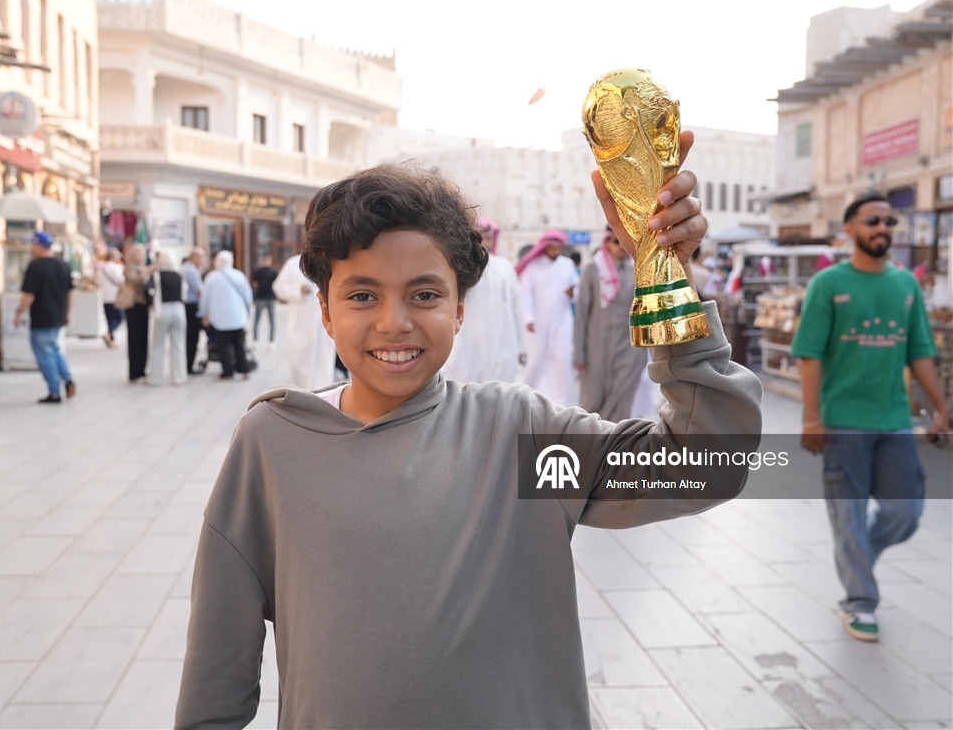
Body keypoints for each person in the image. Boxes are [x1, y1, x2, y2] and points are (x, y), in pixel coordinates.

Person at [175, 155, 763, 728]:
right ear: (325, 311)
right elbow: (215, 678)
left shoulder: (519, 440)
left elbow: (707, 463)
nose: (394, 322)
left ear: (460, 310)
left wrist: (666, 275)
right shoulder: (275, 446)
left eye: (424, 294)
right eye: (361, 295)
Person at [792, 193, 948, 643]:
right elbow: (808, 355)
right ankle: (860, 601)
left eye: (889, 221)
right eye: (872, 220)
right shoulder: (827, 283)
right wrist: (811, 418)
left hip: (894, 420)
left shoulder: (905, 286)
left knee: (906, 512)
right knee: (848, 517)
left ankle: (858, 553)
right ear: (850, 230)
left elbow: (920, 351)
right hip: (842, 422)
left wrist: (940, 407)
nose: (883, 227)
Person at [573, 228, 649, 422]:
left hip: (630, 349)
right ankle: (589, 445)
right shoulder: (593, 269)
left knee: (622, 398)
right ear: (606, 242)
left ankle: (613, 445)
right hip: (597, 347)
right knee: (593, 401)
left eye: (624, 241)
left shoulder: (638, 270)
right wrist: (578, 352)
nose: (621, 246)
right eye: (616, 241)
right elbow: (581, 313)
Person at [443, 217, 526, 383]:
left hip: (502, 343)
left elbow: (518, 308)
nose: (484, 243)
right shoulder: (460, 268)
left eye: (488, 238)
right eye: (480, 238)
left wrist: (522, 346)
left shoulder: (505, 268)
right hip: (468, 343)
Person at [516, 229, 578, 406]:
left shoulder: (567, 264)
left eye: (559, 248)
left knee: (562, 360)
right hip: (538, 322)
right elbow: (524, 295)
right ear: (545, 247)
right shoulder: (533, 266)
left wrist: (572, 293)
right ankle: (528, 399)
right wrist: (528, 318)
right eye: (553, 248)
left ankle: (562, 403)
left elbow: (576, 290)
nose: (556, 252)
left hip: (562, 320)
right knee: (537, 360)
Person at [15, 231, 75, 404]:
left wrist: (19, 313)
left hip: (42, 317)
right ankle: (67, 378)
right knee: (55, 349)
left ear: (38, 245)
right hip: (58, 316)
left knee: (45, 354)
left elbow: (29, 295)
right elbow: (70, 293)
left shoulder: (35, 267)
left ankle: (54, 391)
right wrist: (67, 312)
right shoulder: (63, 265)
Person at [272, 253, 336, 389]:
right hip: (300, 324)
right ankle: (306, 395)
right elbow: (278, 287)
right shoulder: (293, 263)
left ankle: (323, 397)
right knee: (298, 360)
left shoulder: (332, 259)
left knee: (323, 363)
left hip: (324, 324)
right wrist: (297, 291)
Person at [198, 250, 252, 380]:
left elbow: (205, 297)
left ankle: (227, 372)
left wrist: (203, 313)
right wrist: (248, 310)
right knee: (239, 344)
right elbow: (248, 295)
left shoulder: (212, 277)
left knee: (224, 345)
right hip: (238, 316)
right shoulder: (239, 275)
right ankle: (244, 369)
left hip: (220, 317)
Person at [149, 253, 188, 387]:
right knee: (179, 345)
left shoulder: (157, 276)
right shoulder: (179, 275)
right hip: (178, 309)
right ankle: (179, 376)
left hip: (163, 310)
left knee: (157, 345)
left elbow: (150, 291)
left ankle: (155, 377)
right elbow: (185, 293)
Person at [122, 242, 154, 383]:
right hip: (133, 306)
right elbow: (133, 281)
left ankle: (142, 369)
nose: (141, 256)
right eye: (138, 253)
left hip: (143, 306)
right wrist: (145, 272)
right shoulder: (129, 268)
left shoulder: (143, 268)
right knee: (134, 339)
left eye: (142, 254)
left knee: (144, 338)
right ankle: (134, 371)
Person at [181, 247, 206, 374]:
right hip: (191, 307)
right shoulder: (190, 270)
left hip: (187, 306)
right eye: (201, 257)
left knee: (189, 337)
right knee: (192, 337)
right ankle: (189, 366)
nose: (202, 260)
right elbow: (200, 290)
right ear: (195, 257)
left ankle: (187, 365)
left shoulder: (186, 268)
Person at [94, 247, 124, 348]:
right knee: (119, 318)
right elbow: (121, 281)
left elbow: (97, 282)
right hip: (115, 296)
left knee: (109, 319)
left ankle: (111, 340)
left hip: (105, 296)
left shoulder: (101, 268)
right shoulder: (116, 267)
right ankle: (108, 334)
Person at [251, 254, 278, 343]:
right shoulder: (274, 271)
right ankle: (270, 340)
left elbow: (255, 284)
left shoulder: (260, 271)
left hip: (264, 297)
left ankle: (258, 339)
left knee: (259, 320)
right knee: (270, 321)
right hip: (267, 297)